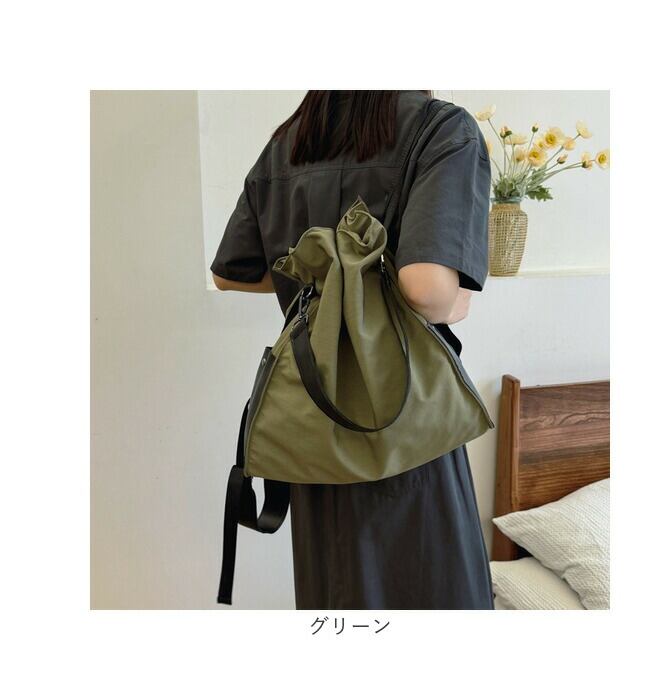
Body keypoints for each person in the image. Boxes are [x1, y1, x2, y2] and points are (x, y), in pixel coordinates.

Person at [210, 90, 494, 609]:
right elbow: (427, 289)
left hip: (315, 432)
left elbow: (231, 273)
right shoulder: (441, 130)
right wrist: (455, 300)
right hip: (408, 434)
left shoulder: (289, 143)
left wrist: (321, 281)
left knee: (337, 601)